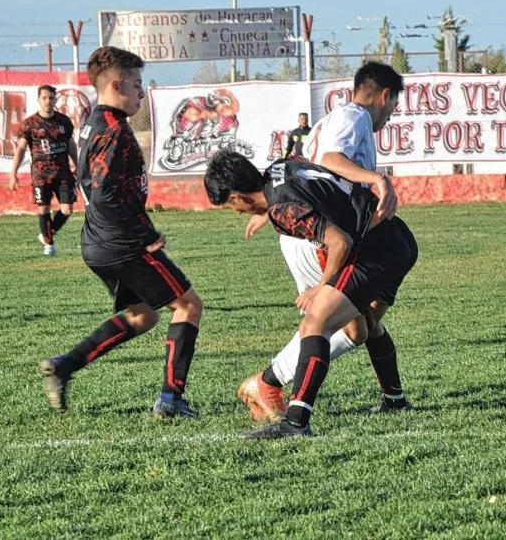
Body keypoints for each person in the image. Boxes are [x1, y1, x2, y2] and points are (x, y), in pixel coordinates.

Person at [38, 46, 204, 418]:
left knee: (143, 316)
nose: (141, 92)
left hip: (97, 242)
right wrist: (147, 234)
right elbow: (107, 194)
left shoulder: (91, 122)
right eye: (137, 84)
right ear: (116, 84)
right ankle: (171, 400)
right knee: (189, 305)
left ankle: (64, 365)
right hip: (122, 242)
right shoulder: (115, 132)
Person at [205, 151, 418, 438]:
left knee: (315, 323)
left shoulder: (282, 209)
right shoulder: (281, 167)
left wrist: (320, 287)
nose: (238, 213)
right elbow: (311, 174)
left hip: (375, 250)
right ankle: (395, 401)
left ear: (238, 197)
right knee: (367, 323)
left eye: (231, 206)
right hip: (397, 237)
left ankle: (295, 423)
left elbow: (339, 242)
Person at [236, 62, 405, 423]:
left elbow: (306, 170)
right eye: (393, 106)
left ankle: (395, 398)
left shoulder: (331, 120)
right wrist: (378, 179)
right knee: (334, 322)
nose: (391, 115)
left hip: (316, 228)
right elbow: (330, 160)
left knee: (364, 323)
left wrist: (270, 209)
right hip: (321, 236)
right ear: (385, 96)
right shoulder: (356, 115)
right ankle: (269, 382)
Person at [9, 85, 78, 255]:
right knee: (43, 209)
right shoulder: (30, 124)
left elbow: (71, 145)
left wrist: (77, 164)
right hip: (41, 175)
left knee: (67, 210)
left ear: (56, 100)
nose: (48, 101)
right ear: (39, 100)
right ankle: (49, 245)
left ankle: (47, 234)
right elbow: (21, 149)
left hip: (63, 173)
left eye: (51, 98)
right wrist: (13, 174)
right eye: (45, 98)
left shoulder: (64, 121)